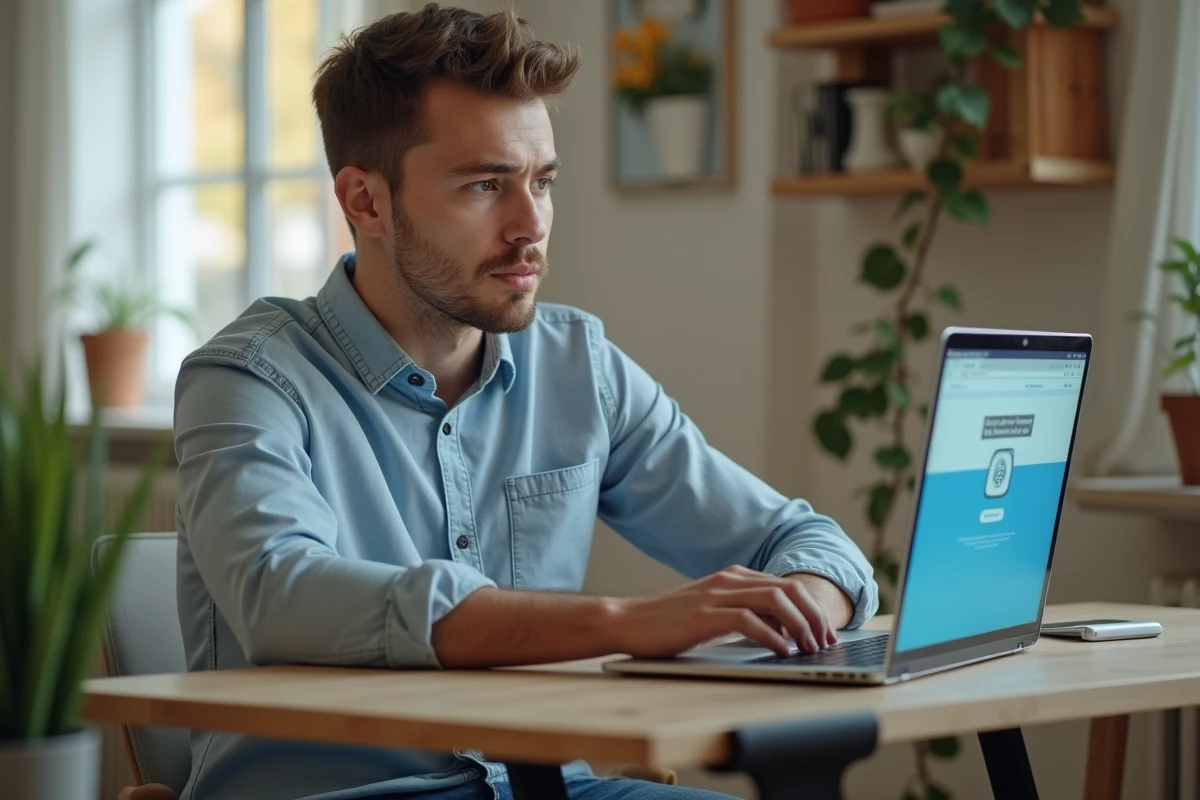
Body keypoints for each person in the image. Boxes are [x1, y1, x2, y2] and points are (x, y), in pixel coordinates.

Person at [172, 4, 879, 800]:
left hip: (553, 789)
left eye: (542, 182)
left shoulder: (579, 366)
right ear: (365, 203)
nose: (530, 226)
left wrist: (806, 600)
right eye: (485, 185)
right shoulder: (248, 378)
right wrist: (619, 622)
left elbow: (797, 537)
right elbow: (282, 592)